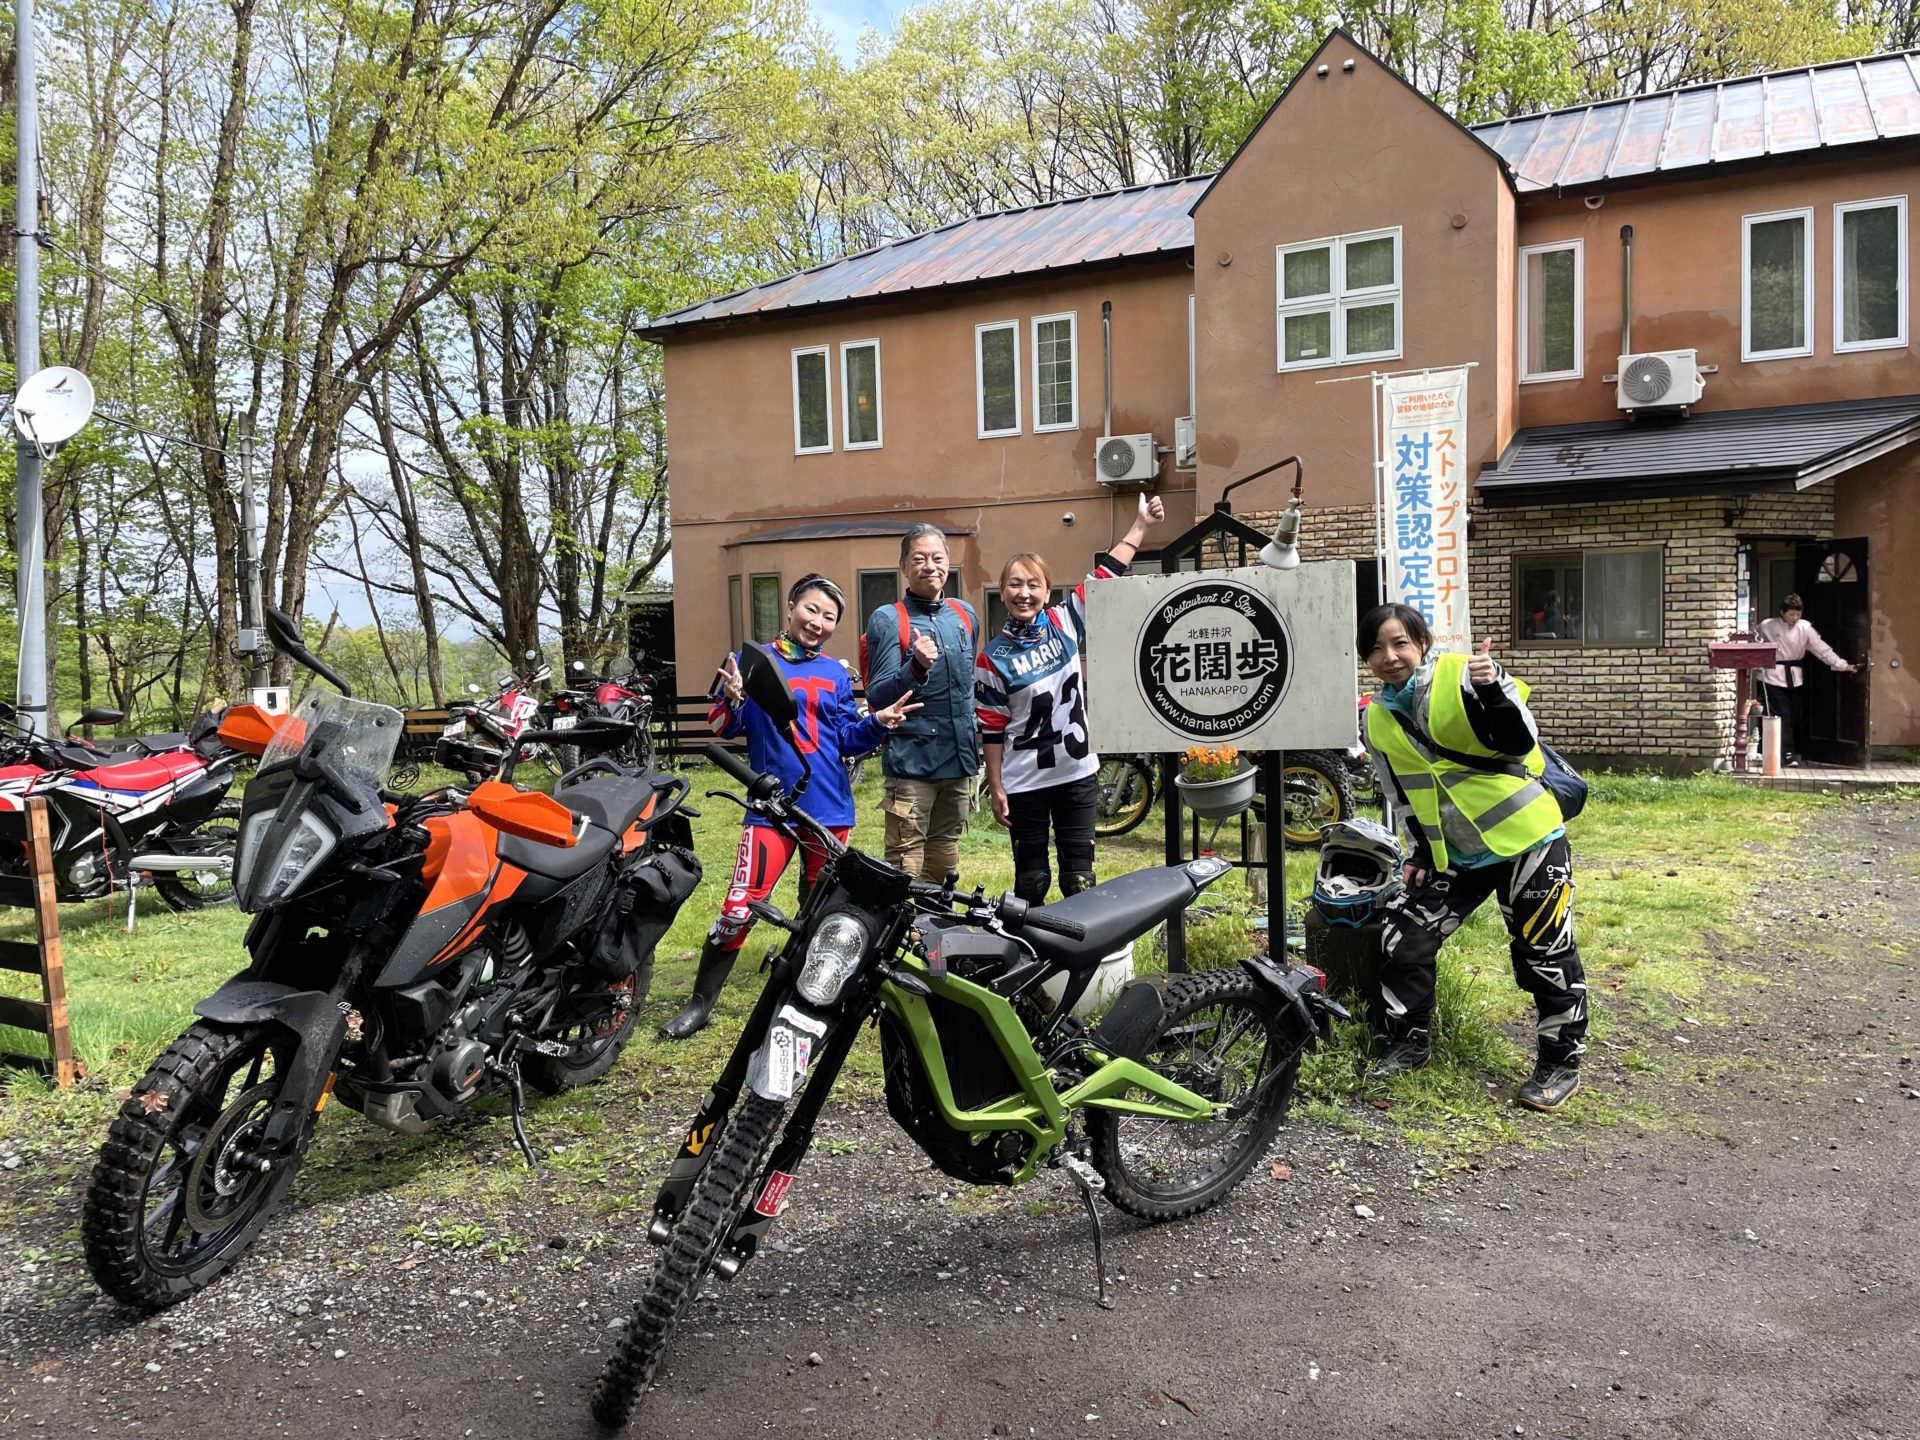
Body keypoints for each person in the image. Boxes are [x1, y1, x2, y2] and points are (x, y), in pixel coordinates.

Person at [661, 575, 920, 1039]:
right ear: (790, 607)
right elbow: (721, 727)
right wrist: (731, 698)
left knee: (821, 911)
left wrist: (879, 722)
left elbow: (846, 740)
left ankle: (805, 997)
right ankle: (700, 1004)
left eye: (829, 617)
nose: (818, 622)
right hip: (771, 808)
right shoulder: (752, 661)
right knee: (739, 907)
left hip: (829, 810)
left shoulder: (835, 673)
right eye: (811, 610)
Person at [1356, 602, 1588, 1113]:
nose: (1389, 656)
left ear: (1422, 642)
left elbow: (1519, 740)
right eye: (1375, 649)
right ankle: (1409, 1042)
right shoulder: (1377, 717)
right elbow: (1400, 792)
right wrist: (1420, 850)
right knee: (1402, 939)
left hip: (1527, 838)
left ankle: (1560, 1062)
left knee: (1544, 951)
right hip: (1456, 853)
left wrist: (1492, 688)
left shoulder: (1465, 676)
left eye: (1399, 643)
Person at [976, 493, 1163, 903]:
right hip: (1024, 780)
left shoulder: (1064, 621)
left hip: (1076, 773)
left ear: (1047, 591)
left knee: (1080, 878)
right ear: (1002, 592)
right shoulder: (991, 658)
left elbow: (1107, 573)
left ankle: (1082, 944)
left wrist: (1141, 526)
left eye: (1034, 584)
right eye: (1015, 584)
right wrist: (996, 785)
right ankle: (1030, 942)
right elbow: (991, 729)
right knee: (1031, 881)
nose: (1024, 593)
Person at [863, 525, 980, 882]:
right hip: (912, 762)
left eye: (937, 558)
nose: (930, 566)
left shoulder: (964, 615)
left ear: (948, 563)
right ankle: (904, 919)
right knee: (905, 861)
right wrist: (915, 667)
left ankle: (935, 918)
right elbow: (877, 694)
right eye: (919, 558)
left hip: (958, 760)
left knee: (945, 857)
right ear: (903, 566)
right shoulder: (888, 619)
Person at [1756, 593, 1857, 767]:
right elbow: (1754, 642)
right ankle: (1784, 753)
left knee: (1796, 714)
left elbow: (1821, 649)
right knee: (1781, 714)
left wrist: (1842, 665)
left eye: (1798, 614)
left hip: (1795, 676)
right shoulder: (1767, 625)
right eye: (1791, 614)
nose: (1794, 618)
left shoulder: (1805, 627)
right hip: (1772, 676)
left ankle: (1792, 749)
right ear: (1782, 612)